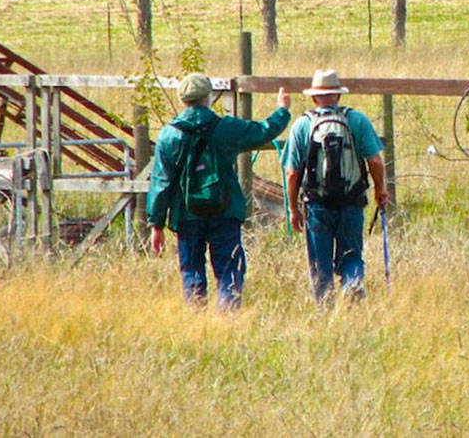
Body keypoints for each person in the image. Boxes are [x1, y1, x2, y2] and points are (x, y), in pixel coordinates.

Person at [146, 73, 291, 310]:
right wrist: (282, 110)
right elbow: (263, 131)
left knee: (191, 269)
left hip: (186, 214)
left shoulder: (168, 135)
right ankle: (228, 318)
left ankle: (197, 319)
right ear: (209, 97)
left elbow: (161, 184)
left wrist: (156, 224)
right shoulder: (226, 128)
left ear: (182, 99)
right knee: (228, 270)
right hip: (224, 211)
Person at [281, 68, 389, 303]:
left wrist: (292, 208)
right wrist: (381, 188)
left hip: (316, 206)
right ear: (338, 95)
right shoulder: (355, 120)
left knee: (320, 263)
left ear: (313, 97)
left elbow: (291, 173)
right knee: (351, 256)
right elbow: (375, 160)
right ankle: (351, 285)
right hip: (351, 203)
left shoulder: (302, 125)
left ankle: (325, 311)